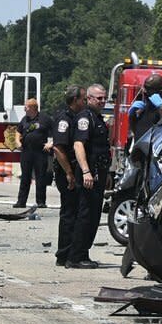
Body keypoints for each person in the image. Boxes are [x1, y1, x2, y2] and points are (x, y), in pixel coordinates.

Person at [66, 84, 112, 267]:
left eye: (104, 98)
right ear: (89, 99)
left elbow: (103, 149)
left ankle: (83, 254)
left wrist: (106, 173)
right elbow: (79, 145)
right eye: (98, 98)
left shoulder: (98, 118)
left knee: (93, 216)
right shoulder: (85, 118)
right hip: (88, 174)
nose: (102, 101)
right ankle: (75, 257)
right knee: (85, 216)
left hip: (99, 174)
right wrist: (85, 171)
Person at [48, 86, 86, 267]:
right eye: (83, 99)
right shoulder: (64, 118)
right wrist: (69, 173)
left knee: (75, 212)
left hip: (73, 169)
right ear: (74, 100)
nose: (84, 102)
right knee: (69, 213)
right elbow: (58, 148)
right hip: (67, 171)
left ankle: (72, 252)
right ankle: (63, 254)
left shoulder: (76, 117)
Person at [14, 97, 49, 208]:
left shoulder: (44, 118)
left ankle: (41, 202)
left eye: (26, 107)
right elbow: (18, 132)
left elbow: (55, 130)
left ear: (33, 108)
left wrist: (51, 143)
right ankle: (21, 202)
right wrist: (17, 142)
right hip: (26, 152)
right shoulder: (25, 119)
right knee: (25, 177)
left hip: (40, 152)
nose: (24, 108)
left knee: (41, 177)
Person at [127, 74, 162, 143]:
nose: (144, 91)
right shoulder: (144, 105)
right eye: (144, 87)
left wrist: (161, 108)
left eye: (148, 88)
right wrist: (132, 114)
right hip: (140, 147)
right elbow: (134, 131)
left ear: (160, 91)